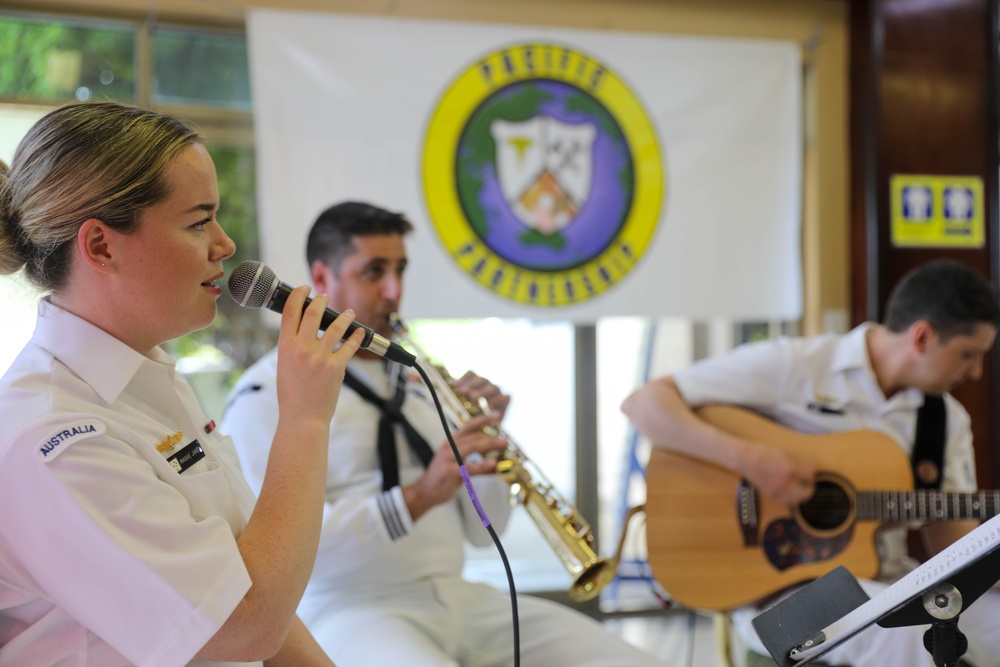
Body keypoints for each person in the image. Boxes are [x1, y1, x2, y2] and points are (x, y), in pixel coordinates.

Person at [223, 201, 669, 667]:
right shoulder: (265, 394)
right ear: (320, 278)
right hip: (348, 609)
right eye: (374, 272)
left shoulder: (425, 383)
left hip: (461, 597)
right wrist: (420, 496)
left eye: (400, 270)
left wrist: (486, 442)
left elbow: (485, 534)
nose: (394, 291)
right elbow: (280, 551)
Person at [0, 101, 365, 666]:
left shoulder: (147, 382)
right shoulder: (52, 439)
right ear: (101, 246)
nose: (225, 245)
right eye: (198, 221)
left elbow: (247, 580)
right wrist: (305, 419)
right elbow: (243, 626)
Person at [621, 258, 1000, 667]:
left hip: (890, 581)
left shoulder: (947, 420)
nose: (977, 372)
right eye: (968, 354)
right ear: (923, 337)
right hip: (783, 590)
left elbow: (953, 543)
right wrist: (753, 461)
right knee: (906, 639)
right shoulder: (795, 366)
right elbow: (644, 404)